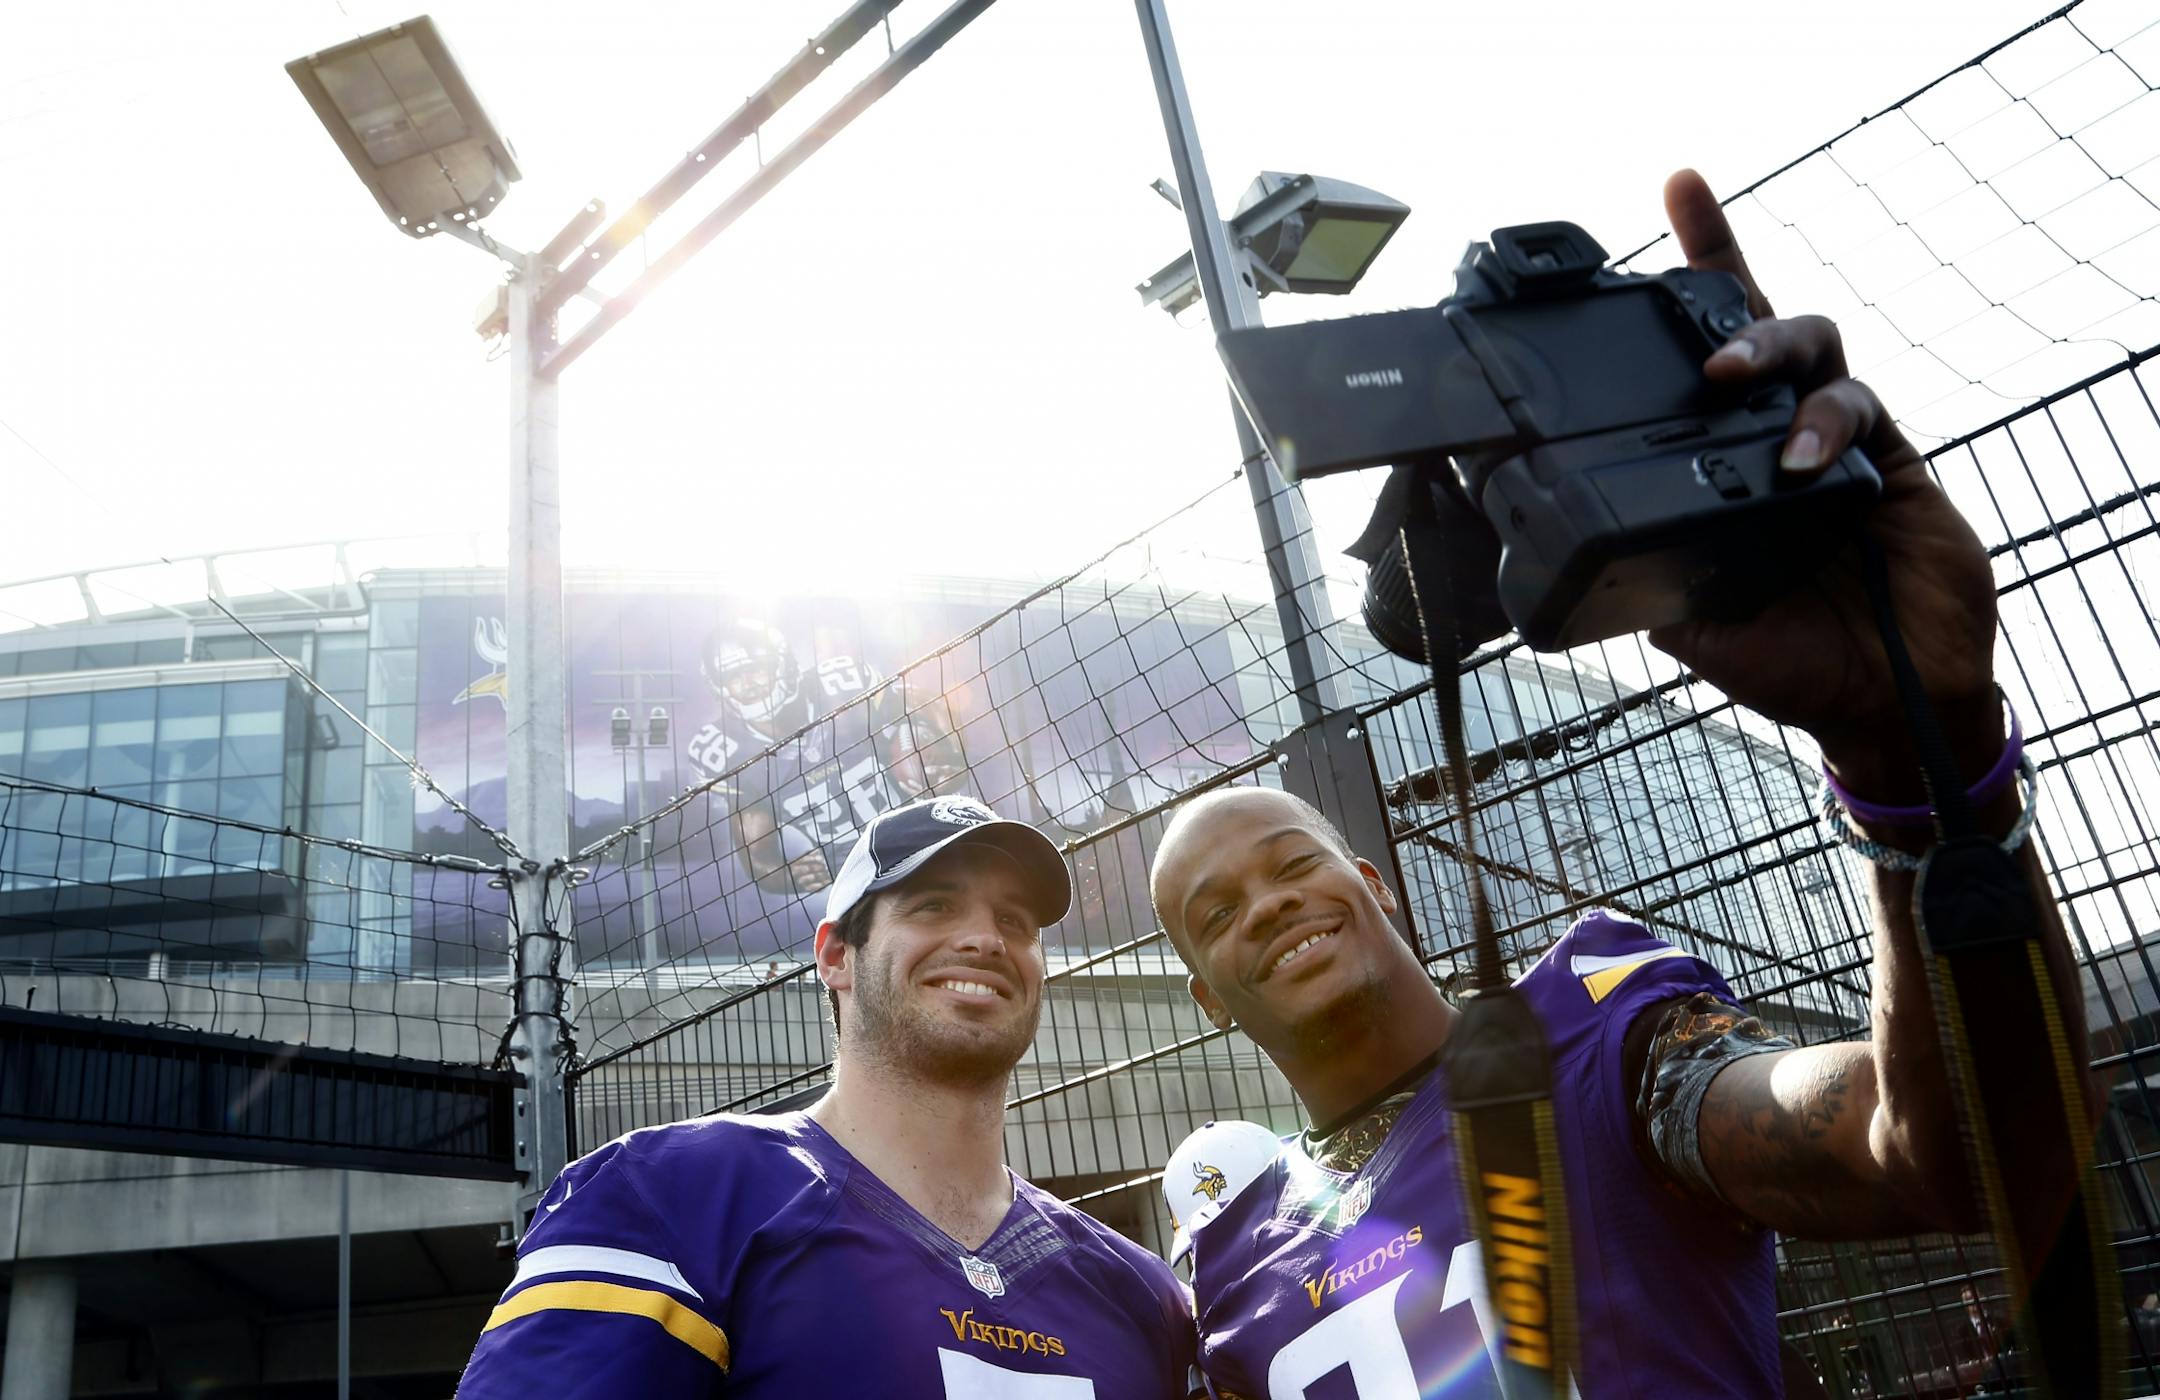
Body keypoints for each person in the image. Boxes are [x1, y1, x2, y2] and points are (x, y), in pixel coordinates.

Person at [1146, 169, 2091, 1397]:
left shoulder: (1598, 1038)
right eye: (1217, 913)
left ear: (1373, 881)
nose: (1266, 904)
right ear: (1206, 996)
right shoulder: (1227, 1252)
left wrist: (1920, 756)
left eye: (1290, 864)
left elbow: (1942, 1155)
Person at [458, 795, 1197, 1396]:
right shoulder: (670, 1198)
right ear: (836, 956)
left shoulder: (1145, 1298)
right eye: (935, 906)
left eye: (1015, 920)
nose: (985, 938)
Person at [685, 616, 909, 896]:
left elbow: (923, 713)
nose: (747, 683)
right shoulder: (727, 753)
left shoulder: (842, 686)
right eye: (732, 677)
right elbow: (758, 855)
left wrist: (933, 757)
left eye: (756, 669)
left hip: (915, 839)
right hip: (854, 876)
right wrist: (791, 876)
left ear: (784, 664)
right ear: (719, 686)